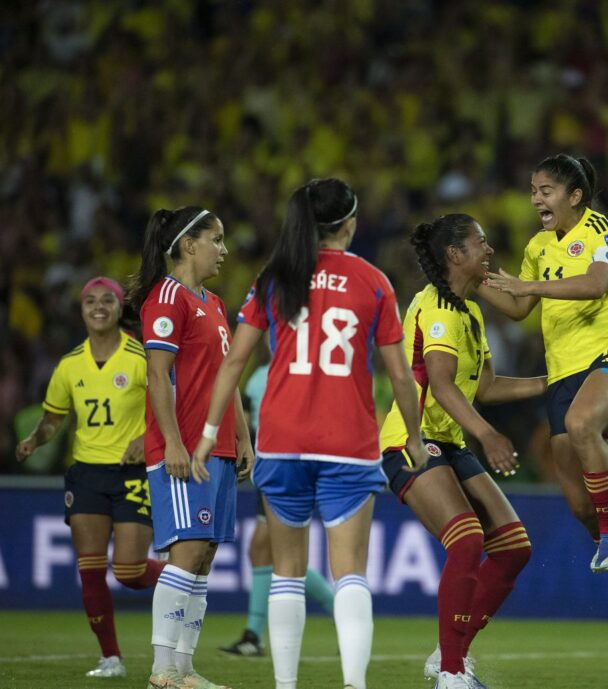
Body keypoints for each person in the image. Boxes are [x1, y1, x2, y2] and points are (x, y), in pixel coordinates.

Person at [192, 178, 428, 689]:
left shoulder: (276, 277)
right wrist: (413, 437)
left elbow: (234, 360)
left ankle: (284, 686)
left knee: (288, 571)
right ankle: (354, 685)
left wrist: (211, 433)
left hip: (281, 438)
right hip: (348, 440)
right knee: (350, 573)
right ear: (350, 223)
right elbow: (402, 376)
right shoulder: (373, 282)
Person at [481, 154, 608, 639]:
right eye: (532, 190)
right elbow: (519, 308)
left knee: (583, 422)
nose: (535, 199)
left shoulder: (606, 231)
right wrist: (474, 282)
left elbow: (596, 284)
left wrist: (528, 283)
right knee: (581, 508)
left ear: (574, 196)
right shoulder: (536, 246)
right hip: (562, 375)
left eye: (545, 190)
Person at [378, 214, 544, 689]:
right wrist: (488, 436)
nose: (489, 250)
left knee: (513, 548)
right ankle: (451, 673)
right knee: (468, 541)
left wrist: (552, 385)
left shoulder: (470, 312)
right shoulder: (438, 309)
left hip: (447, 442)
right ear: (455, 254)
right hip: (410, 441)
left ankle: (449, 654)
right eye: (481, 243)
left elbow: (486, 386)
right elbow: (443, 385)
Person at [127, 206, 254, 689]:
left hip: (217, 448)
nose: (223, 249)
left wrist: (242, 436)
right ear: (188, 245)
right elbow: (156, 375)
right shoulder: (166, 298)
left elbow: (228, 376)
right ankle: (162, 668)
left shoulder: (215, 303)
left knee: (204, 557)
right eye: (216, 239)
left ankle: (183, 669)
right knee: (188, 550)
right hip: (182, 450)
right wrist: (173, 444)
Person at [15, 277, 162, 679]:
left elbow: (169, 405)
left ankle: (181, 577)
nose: (98, 307)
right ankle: (111, 657)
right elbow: (54, 418)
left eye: (107, 300)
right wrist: (35, 439)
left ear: (118, 308)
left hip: (131, 473)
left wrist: (146, 437)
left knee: (130, 572)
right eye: (90, 301)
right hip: (86, 475)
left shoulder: (139, 356)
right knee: (91, 568)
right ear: (81, 310)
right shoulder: (70, 365)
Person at [220, 359, 336, 658]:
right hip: (267, 463)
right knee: (265, 549)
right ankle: (254, 635)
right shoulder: (258, 375)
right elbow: (243, 415)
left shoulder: (308, 368)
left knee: (274, 549)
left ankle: (255, 634)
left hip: (293, 462)